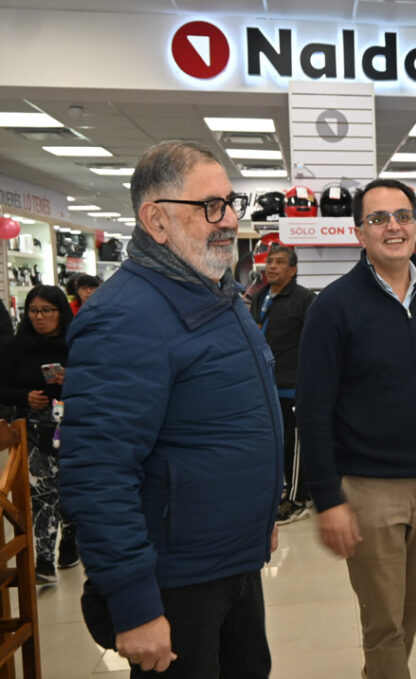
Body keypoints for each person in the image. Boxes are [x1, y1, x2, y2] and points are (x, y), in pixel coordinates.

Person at [59, 140, 282, 678]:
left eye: (230, 203)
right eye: (210, 206)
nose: (229, 219)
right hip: (176, 581)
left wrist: (260, 518)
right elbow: (98, 473)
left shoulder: (218, 295)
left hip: (233, 560)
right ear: (155, 220)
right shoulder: (126, 317)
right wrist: (135, 605)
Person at [296, 178, 416, 679]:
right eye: (378, 218)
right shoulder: (333, 307)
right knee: (383, 623)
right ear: (359, 232)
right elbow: (312, 410)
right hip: (369, 489)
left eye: (402, 216)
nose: (393, 227)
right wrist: (328, 497)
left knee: (413, 606)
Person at [0, 285, 76, 583]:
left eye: (47, 311)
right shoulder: (16, 346)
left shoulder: (77, 343)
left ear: (60, 312)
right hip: (31, 429)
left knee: (70, 489)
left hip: (75, 427)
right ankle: (44, 561)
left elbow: (102, 381)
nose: (40, 317)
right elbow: (2, 386)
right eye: (33, 311)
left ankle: (70, 539)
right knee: (42, 492)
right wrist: (25, 397)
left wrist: (71, 380)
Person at [249, 244, 316, 524]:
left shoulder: (304, 299)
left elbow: (316, 342)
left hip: (295, 386)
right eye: (269, 262)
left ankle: (298, 500)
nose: (272, 267)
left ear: (293, 269)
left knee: (295, 445)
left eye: (279, 262)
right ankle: (286, 490)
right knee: (277, 443)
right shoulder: (260, 296)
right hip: (267, 386)